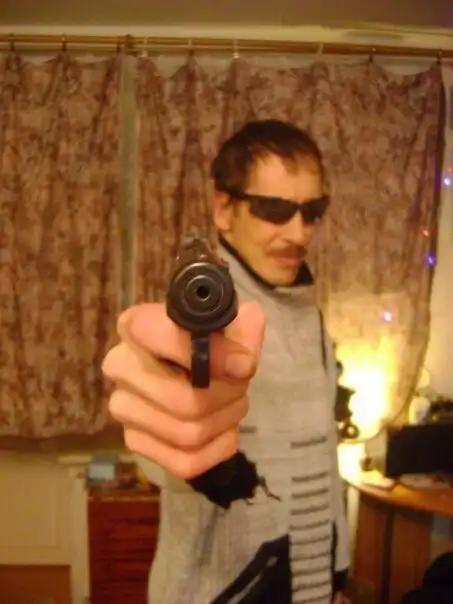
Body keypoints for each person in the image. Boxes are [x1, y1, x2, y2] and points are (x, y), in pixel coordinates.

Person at [102, 119, 350, 604]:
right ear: (223, 209)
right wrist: (170, 427)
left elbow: (322, 454)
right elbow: (167, 457)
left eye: (313, 211)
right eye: (275, 210)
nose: (299, 232)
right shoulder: (207, 309)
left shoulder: (308, 312)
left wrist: (336, 575)